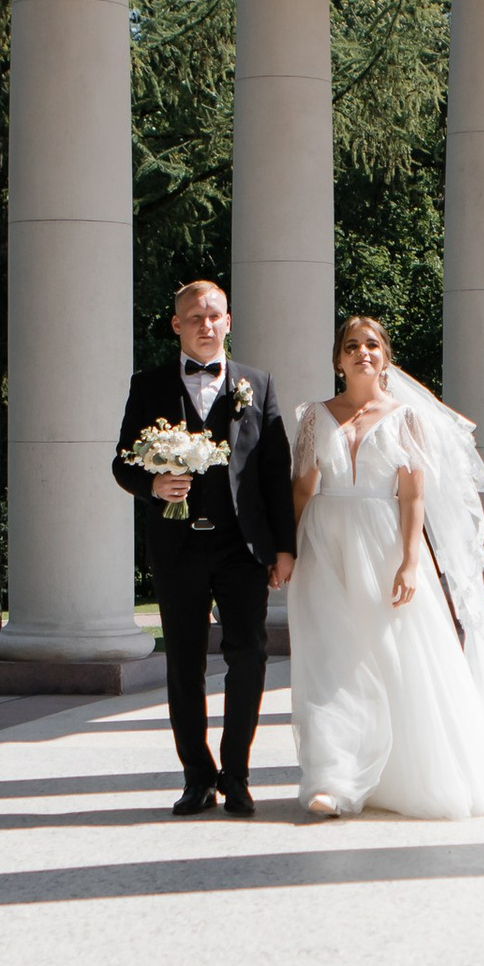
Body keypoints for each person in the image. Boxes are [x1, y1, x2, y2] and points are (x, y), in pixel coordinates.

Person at [286, 313, 484, 819]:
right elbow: (301, 487)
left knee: (395, 654)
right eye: (353, 345)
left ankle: (404, 773)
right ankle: (332, 777)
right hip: (325, 544)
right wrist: (290, 550)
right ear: (338, 360)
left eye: (373, 345)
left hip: (384, 544)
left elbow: (412, 496)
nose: (363, 352)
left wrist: (409, 562)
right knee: (330, 659)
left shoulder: (406, 418)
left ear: (385, 359)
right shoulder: (315, 416)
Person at [111, 279, 294, 816]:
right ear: (176, 325)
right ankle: (197, 777)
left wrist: (284, 548)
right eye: (194, 317)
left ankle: (236, 775)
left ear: (229, 321)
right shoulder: (147, 386)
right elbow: (123, 462)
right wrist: (152, 484)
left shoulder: (257, 385)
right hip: (178, 549)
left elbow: (273, 472)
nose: (205, 324)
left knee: (249, 656)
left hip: (243, 548)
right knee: (184, 663)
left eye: (214, 315)